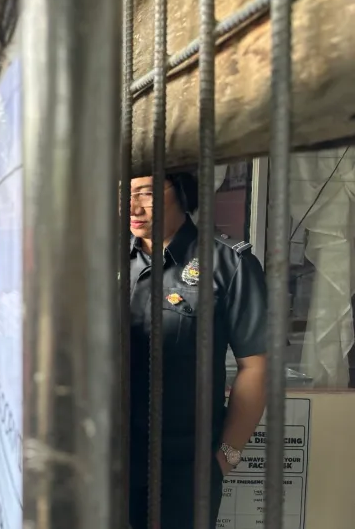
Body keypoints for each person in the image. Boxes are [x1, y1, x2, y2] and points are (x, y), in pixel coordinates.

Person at [127, 172, 268, 529]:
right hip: (107, 460)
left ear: (182, 190)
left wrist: (226, 458)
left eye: (145, 193)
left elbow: (256, 366)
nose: (132, 206)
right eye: (124, 194)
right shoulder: (103, 260)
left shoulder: (229, 264)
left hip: (185, 469)